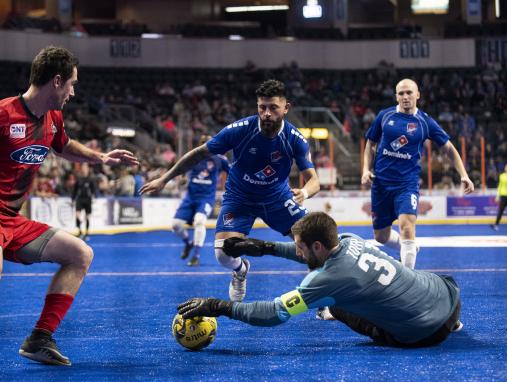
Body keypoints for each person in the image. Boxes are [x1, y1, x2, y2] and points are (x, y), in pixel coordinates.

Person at [0, 46, 139, 378]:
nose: (74, 92)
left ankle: (39, 339)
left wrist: (100, 158)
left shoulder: (53, 118)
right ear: (57, 82)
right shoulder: (1, 114)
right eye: (72, 84)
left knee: (80, 253)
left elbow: (63, 146)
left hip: (11, 219)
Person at [141, 80, 320, 301]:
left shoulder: (295, 139)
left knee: (313, 242)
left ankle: (319, 297)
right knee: (223, 254)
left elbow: (314, 181)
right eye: (261, 107)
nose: (266, 113)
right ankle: (240, 270)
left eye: (273, 107)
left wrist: (305, 192)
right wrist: (165, 178)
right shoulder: (239, 130)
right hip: (239, 197)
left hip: (277, 197)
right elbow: (198, 154)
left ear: (286, 108)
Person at [177, 212, 463, 348]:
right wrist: (264, 247)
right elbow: (308, 256)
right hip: (449, 297)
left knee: (336, 307)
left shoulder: (326, 280)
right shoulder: (350, 239)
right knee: (411, 278)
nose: (297, 250)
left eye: (300, 246)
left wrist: (219, 306)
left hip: (424, 334)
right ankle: (454, 323)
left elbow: (274, 313)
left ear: (317, 246)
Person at [361, 78, 474, 269]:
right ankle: (410, 247)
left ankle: (407, 280)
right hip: (381, 184)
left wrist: (464, 174)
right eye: (401, 93)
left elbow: (448, 148)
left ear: (418, 95)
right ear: (396, 96)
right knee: (381, 236)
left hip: (407, 184)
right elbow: (371, 145)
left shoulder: (425, 122)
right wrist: (365, 170)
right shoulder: (384, 116)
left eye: (409, 93)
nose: (405, 97)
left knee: (406, 228)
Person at [172, 134, 230, 267]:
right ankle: (188, 243)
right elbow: (182, 170)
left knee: (199, 221)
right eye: (204, 142)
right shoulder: (192, 157)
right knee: (176, 225)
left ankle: (196, 255)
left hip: (206, 198)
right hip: (190, 197)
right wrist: (182, 179)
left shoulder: (220, 159)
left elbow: (232, 172)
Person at [73, 162, 98, 239]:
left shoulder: (91, 179)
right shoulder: (79, 178)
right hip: (80, 199)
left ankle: (87, 233)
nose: (84, 169)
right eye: (83, 167)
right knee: (77, 215)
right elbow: (75, 190)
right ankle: (80, 231)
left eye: (85, 167)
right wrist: (73, 198)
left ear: (87, 169)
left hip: (88, 199)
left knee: (87, 217)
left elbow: (94, 189)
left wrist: (94, 196)